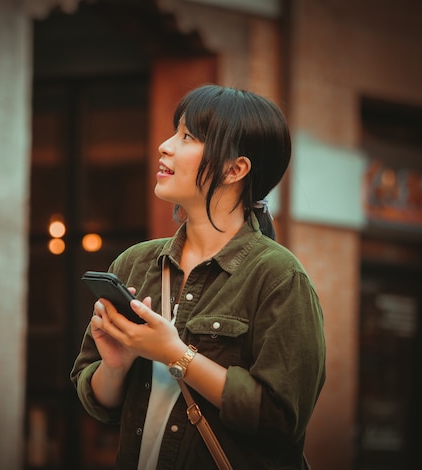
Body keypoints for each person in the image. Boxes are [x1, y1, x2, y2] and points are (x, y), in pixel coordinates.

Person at [70, 84, 326, 469]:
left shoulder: (278, 277)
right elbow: (99, 405)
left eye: (187, 137)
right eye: (175, 132)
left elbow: (280, 417)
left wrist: (174, 353)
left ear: (235, 168)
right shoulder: (135, 263)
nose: (165, 146)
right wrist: (116, 365)